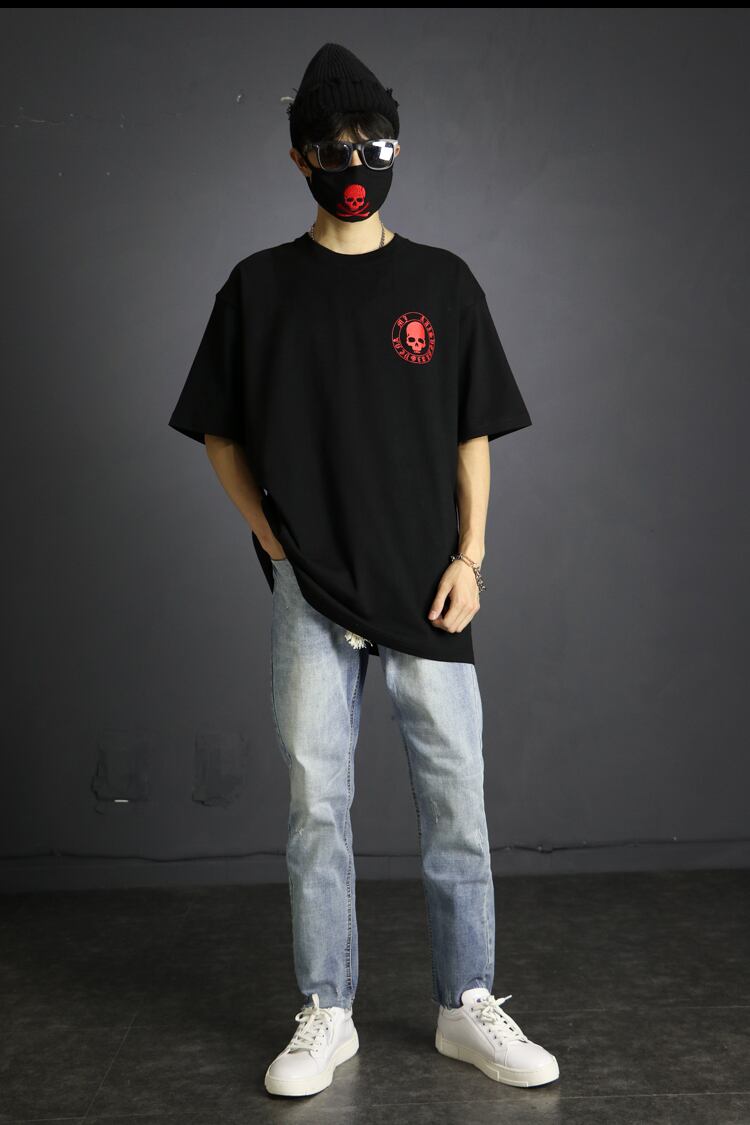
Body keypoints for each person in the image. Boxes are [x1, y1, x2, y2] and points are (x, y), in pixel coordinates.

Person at [168, 41, 559, 1098]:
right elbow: (218, 431)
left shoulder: (443, 283)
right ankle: (327, 1009)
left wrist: (472, 557)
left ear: (396, 146)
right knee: (316, 802)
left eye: (372, 145)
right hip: (312, 586)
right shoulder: (259, 288)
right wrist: (270, 535)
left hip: (428, 581)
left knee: (456, 801)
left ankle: (466, 1002)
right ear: (298, 156)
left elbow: (475, 430)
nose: (356, 164)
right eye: (333, 148)